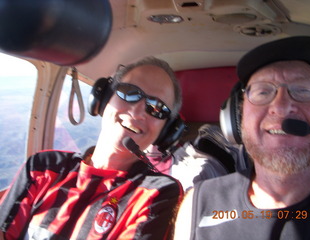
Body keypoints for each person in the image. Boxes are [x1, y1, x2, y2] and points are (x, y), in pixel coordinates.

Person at [0, 57, 184, 240]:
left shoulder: (157, 194)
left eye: (157, 108)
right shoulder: (42, 167)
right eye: (129, 92)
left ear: (166, 131)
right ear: (104, 99)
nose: (137, 112)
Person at [174, 36, 310, 240]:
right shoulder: (198, 205)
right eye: (263, 92)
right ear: (238, 117)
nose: (280, 107)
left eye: (303, 90)